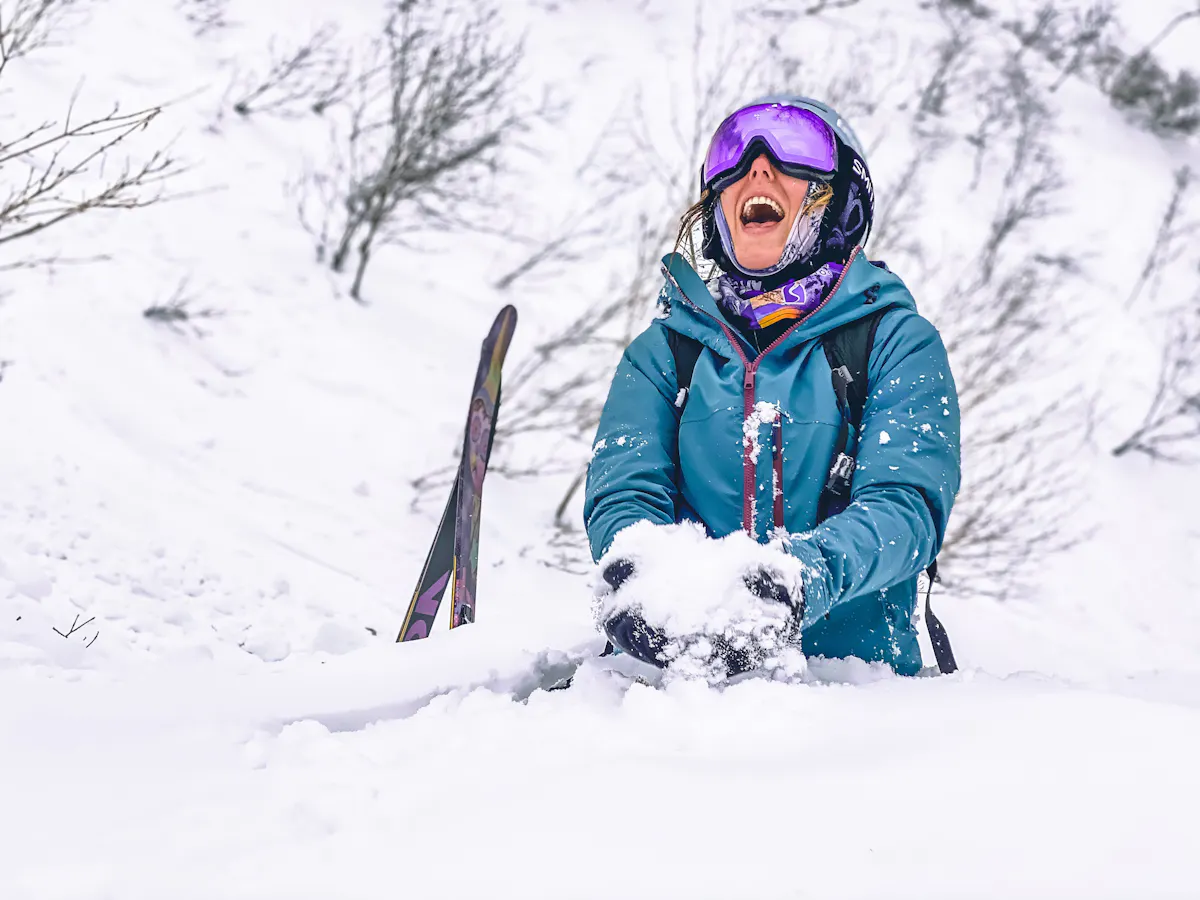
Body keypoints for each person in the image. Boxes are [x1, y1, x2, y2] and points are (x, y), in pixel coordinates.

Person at [582, 96, 962, 677]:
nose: (756, 168)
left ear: (839, 202)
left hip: (856, 703)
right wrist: (640, 573)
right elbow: (625, 494)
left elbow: (907, 508)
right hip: (667, 703)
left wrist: (795, 581)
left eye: (797, 151)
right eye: (732, 152)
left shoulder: (895, 342)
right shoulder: (663, 354)